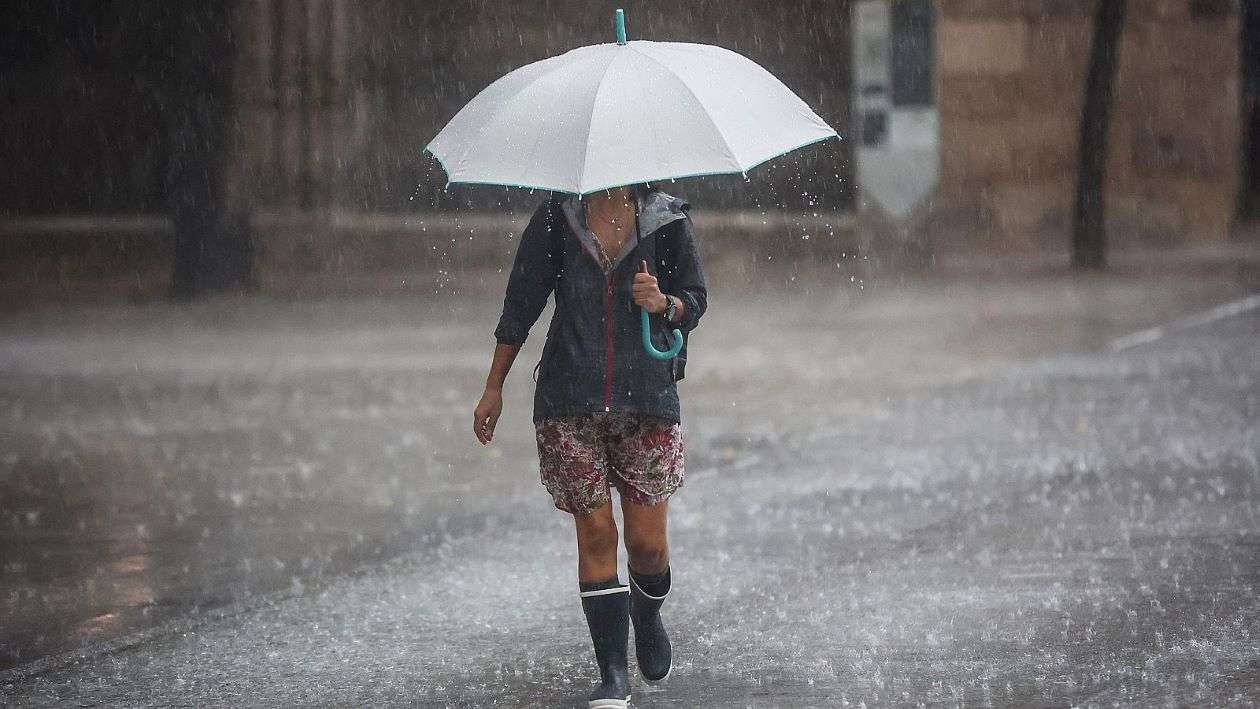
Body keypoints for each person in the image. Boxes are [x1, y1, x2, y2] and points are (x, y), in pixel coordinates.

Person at [472, 183, 707, 709]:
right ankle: (613, 674)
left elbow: (696, 299)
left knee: (646, 544)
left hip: (646, 398)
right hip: (568, 398)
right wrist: (494, 385)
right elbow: (521, 304)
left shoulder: (666, 221)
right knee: (596, 531)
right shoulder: (558, 219)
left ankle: (645, 618)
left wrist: (665, 302)